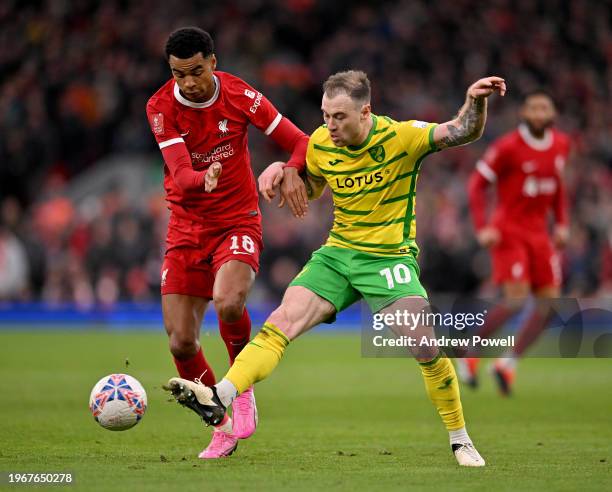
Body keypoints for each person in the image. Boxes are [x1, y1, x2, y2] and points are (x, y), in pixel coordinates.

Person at [165, 70, 506, 467]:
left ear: (366, 112)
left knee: (425, 345)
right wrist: (283, 171)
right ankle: (222, 394)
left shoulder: (402, 137)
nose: (329, 126)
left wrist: (475, 101)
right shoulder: (321, 144)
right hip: (338, 254)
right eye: (325, 115)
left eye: (339, 117)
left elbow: (462, 131)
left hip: (388, 258)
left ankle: (460, 439)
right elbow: (312, 185)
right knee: (281, 322)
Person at [146, 27, 309, 459]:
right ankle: (218, 422)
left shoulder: (240, 95)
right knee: (181, 342)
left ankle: (241, 388)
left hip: (237, 219)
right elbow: (181, 175)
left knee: (229, 301)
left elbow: (299, 141)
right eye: (179, 75)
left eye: (196, 71)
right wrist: (205, 177)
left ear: (213, 63)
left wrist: (292, 169)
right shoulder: (161, 107)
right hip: (185, 226)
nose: (188, 83)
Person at [458, 90, 571, 395]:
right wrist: (483, 226)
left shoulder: (561, 144)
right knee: (516, 299)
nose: (538, 113)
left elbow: (558, 187)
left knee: (549, 304)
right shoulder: (508, 147)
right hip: (509, 231)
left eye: (544, 107)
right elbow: (476, 184)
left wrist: (561, 223)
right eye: (532, 107)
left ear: (552, 114)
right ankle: (471, 352)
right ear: (524, 113)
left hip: (540, 235)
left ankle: (508, 363)